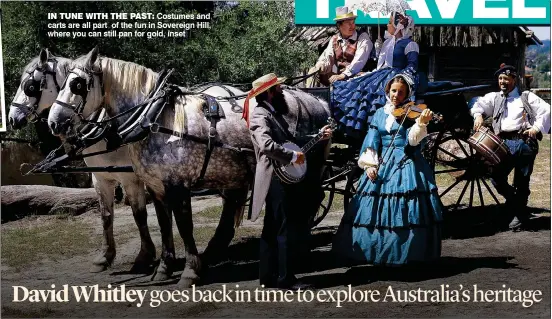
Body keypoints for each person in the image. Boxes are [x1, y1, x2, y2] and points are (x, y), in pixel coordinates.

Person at [333, 73, 443, 266]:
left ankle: (406, 254)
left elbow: (413, 141)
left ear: (407, 93)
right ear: (387, 91)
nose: (396, 96)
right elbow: (372, 140)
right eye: (393, 91)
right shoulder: (379, 113)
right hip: (383, 162)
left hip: (407, 162)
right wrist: (369, 164)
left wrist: (421, 123)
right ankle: (375, 253)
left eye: (401, 92)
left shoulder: (412, 113)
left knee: (406, 208)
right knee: (372, 208)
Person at [246, 73, 333, 289]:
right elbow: (266, 145)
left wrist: (318, 136)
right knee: (283, 228)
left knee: (272, 227)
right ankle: (286, 279)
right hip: (275, 179)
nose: (282, 90)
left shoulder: (273, 112)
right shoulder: (260, 115)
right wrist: (293, 156)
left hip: (279, 178)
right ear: (269, 93)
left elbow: (290, 141)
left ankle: (267, 278)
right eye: (278, 88)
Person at [471, 64, 551, 231]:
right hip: (503, 144)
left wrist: (536, 128)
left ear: (514, 80)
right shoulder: (495, 97)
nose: (503, 82)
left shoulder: (526, 97)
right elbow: (477, 104)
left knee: (522, 181)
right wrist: (478, 115)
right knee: (495, 177)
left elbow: (546, 110)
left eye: (506, 79)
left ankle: (518, 216)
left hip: (524, 143)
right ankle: (517, 205)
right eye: (500, 79)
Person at [331, 11, 419, 139]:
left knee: (379, 91)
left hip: (397, 75)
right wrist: (378, 49)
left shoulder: (409, 44)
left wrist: (402, 78)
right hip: (383, 72)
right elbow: (382, 64)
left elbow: (412, 65)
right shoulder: (388, 43)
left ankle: (381, 128)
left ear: (399, 26)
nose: (387, 25)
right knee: (359, 86)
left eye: (389, 22)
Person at [310, 6, 374, 86]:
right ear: (339, 26)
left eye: (353, 23)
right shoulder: (334, 39)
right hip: (341, 80)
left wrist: (343, 75)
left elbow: (359, 60)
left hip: (361, 80)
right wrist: (320, 66)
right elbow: (328, 57)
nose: (352, 26)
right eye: (348, 24)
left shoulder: (363, 37)